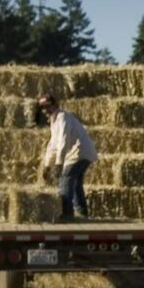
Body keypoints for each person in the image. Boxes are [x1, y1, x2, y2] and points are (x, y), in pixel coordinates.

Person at [38, 93, 98, 222]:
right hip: (80, 153)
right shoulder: (54, 122)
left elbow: (63, 141)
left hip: (79, 152)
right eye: (42, 108)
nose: (45, 110)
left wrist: (59, 163)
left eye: (48, 106)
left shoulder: (63, 117)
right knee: (76, 184)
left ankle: (67, 214)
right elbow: (52, 145)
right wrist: (47, 165)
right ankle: (82, 213)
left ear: (55, 105)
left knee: (65, 179)